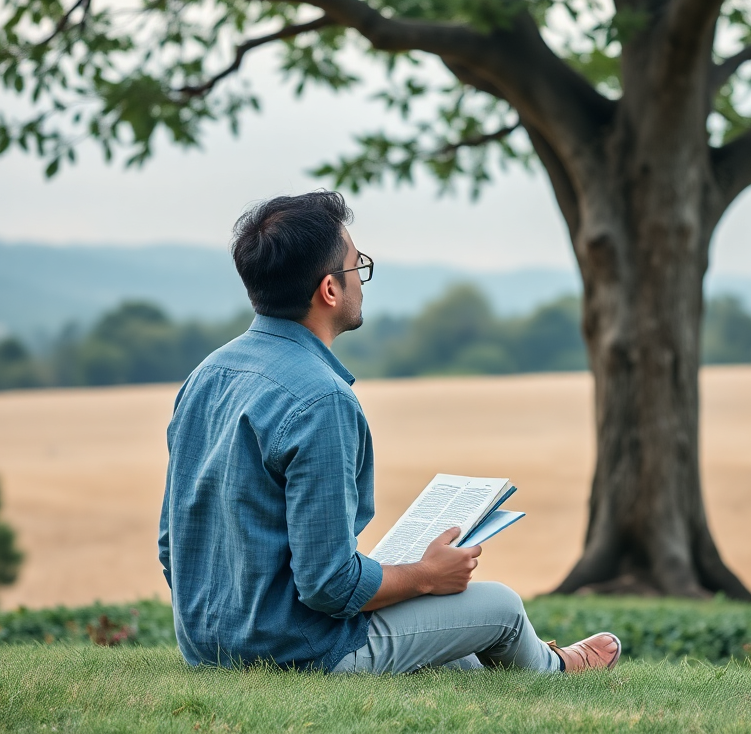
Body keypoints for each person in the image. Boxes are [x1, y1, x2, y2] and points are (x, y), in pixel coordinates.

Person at [158, 191, 620, 674]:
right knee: (501, 607)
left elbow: (173, 544)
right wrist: (425, 575)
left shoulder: (207, 375)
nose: (362, 280)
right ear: (330, 290)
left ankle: (500, 664)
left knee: (439, 626)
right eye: (358, 266)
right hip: (297, 653)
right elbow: (328, 586)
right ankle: (556, 668)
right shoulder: (321, 400)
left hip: (205, 648)